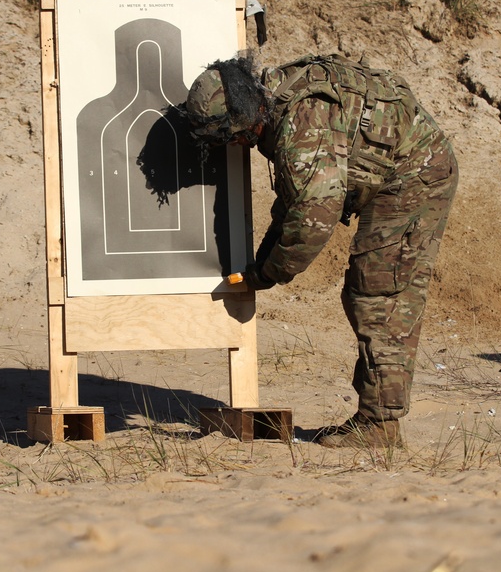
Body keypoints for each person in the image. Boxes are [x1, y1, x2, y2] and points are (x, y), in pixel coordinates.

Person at [185, 53, 458, 449]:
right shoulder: (279, 98)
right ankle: (377, 416)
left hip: (416, 176)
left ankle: (380, 425)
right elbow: (295, 201)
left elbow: (313, 219)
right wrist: (261, 261)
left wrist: (269, 273)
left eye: (231, 137)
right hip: (399, 168)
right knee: (367, 292)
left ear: (246, 122)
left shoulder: (300, 127)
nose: (235, 145)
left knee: (379, 294)